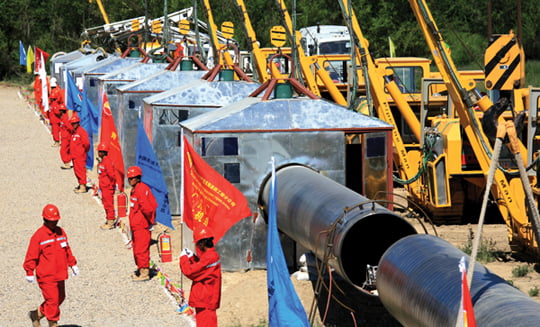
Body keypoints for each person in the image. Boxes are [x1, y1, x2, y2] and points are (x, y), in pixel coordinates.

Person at [23, 204, 78, 327]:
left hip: (59, 273)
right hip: (46, 275)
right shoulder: (39, 236)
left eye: (55, 221)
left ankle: (35, 315)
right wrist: (29, 271)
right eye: (51, 221)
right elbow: (31, 255)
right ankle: (53, 324)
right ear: (45, 220)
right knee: (52, 301)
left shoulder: (60, 232)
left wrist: (73, 264)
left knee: (60, 298)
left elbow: (67, 249)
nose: (54, 223)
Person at [180, 228, 222, 327]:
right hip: (207, 298)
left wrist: (184, 258)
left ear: (202, 243)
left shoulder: (209, 258)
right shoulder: (211, 255)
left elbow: (190, 271)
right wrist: (192, 257)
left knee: (205, 324)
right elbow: (201, 269)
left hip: (205, 299)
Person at [127, 165, 157, 281]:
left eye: (133, 178)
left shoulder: (141, 189)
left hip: (142, 226)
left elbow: (148, 208)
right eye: (129, 178)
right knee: (137, 249)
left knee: (141, 250)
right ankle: (140, 269)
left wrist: (150, 222)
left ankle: (145, 272)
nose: (130, 180)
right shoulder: (135, 189)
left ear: (138, 178)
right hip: (136, 225)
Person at [97, 142, 117, 230]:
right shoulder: (103, 162)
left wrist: (111, 186)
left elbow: (112, 175)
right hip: (104, 186)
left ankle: (110, 221)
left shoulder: (107, 162)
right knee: (105, 204)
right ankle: (108, 218)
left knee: (109, 204)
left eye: (100, 151)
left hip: (107, 187)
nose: (98, 153)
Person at [69, 112, 90, 193]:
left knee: (81, 170)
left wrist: (83, 152)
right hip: (74, 156)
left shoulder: (82, 132)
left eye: (75, 123)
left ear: (78, 123)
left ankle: (83, 186)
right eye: (72, 123)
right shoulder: (74, 132)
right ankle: (80, 184)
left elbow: (87, 144)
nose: (73, 125)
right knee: (77, 171)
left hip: (80, 156)